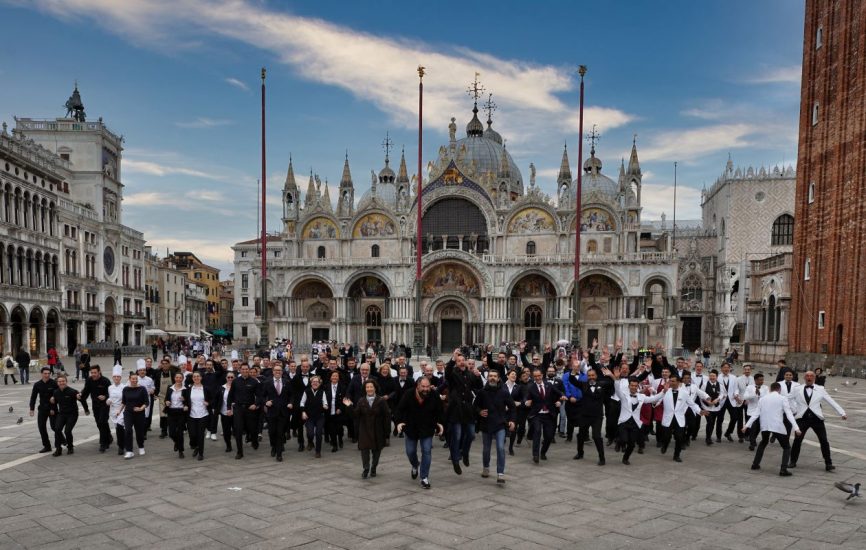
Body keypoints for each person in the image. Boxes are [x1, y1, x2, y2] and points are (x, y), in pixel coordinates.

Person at [788, 370, 847, 471]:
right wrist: (794, 409)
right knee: (797, 440)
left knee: (824, 441)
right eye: (807, 376)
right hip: (802, 418)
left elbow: (830, 400)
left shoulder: (820, 389)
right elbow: (787, 399)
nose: (809, 377)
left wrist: (842, 412)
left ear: (814, 378)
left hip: (817, 419)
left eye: (811, 376)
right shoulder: (797, 389)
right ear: (804, 378)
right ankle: (793, 461)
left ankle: (828, 463)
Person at [607, 368, 665, 465]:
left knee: (632, 444)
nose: (633, 387)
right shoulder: (623, 395)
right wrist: (616, 379)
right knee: (624, 439)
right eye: (632, 385)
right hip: (624, 422)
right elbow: (617, 390)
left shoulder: (641, 397)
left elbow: (654, 399)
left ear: (638, 387)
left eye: (635, 386)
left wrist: (664, 392)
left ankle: (625, 458)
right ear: (629, 386)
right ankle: (619, 442)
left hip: (635, 423)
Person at [395, 377, 444, 489]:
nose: (426, 389)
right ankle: (415, 465)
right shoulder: (408, 394)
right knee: (410, 451)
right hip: (411, 428)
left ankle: (424, 477)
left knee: (426, 451)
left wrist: (440, 423)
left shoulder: (434, 394)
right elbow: (399, 409)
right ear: (418, 386)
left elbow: (440, 411)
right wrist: (399, 422)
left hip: (427, 428)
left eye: (428, 386)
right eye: (423, 386)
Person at [743, 382, 800, 476]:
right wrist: (796, 428)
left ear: (770, 389)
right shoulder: (782, 398)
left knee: (763, 442)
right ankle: (783, 469)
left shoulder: (763, 399)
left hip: (765, 425)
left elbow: (756, 414)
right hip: (777, 425)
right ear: (779, 390)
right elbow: (789, 414)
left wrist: (746, 426)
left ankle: (755, 464)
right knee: (786, 447)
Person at [473, 370, 515, 483]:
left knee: (501, 448)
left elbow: (512, 407)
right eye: (490, 376)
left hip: (500, 424)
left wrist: (512, 420)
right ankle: (486, 468)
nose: (492, 378)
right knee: (486, 449)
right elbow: (475, 406)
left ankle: (500, 473)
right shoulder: (482, 392)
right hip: (486, 425)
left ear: (498, 378)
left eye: (494, 376)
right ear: (487, 378)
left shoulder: (504, 392)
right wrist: (480, 411)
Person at [444, 349, 483, 474]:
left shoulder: (470, 373)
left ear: (466, 362)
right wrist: (452, 358)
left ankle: (465, 453)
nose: (461, 363)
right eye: (459, 361)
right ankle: (456, 460)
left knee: (471, 434)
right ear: (456, 362)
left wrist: (478, 376)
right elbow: (447, 372)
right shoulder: (453, 373)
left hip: (468, 410)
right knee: (457, 436)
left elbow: (479, 387)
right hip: (456, 409)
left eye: (462, 360)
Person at [344, 379, 390, 479]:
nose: (369, 389)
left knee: (376, 453)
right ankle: (366, 468)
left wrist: (387, 434)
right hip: (364, 430)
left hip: (378, 431)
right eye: (367, 387)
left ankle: (373, 468)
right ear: (365, 389)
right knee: (364, 451)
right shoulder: (361, 401)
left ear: (375, 388)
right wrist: (349, 407)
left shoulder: (381, 401)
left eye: (371, 387)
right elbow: (355, 415)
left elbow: (387, 417)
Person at [657, 374, 705, 462]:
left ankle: (676, 455)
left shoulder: (684, 393)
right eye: (670, 381)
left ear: (678, 382)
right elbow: (657, 400)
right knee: (666, 437)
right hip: (668, 418)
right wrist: (654, 403)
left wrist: (700, 411)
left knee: (679, 437)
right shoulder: (665, 391)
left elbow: (692, 404)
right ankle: (665, 445)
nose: (671, 382)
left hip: (679, 419)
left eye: (673, 381)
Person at [526, 368, 565, 464]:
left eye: (539, 376)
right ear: (533, 377)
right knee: (537, 432)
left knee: (549, 436)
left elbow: (560, 393)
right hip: (537, 414)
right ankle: (535, 455)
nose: (537, 378)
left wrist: (560, 401)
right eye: (535, 376)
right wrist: (527, 402)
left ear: (542, 375)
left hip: (549, 414)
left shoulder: (549, 385)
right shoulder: (531, 387)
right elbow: (526, 398)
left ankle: (543, 452)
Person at [574, 368, 612, 465]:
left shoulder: (602, 384)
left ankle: (602, 457)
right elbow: (572, 380)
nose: (591, 377)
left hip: (597, 416)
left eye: (593, 375)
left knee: (596, 436)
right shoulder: (583, 385)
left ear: (596, 376)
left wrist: (611, 375)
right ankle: (580, 453)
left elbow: (613, 384)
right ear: (587, 377)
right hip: (584, 415)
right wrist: (574, 371)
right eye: (589, 375)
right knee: (581, 435)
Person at [227, 363, 262, 459]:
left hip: (250, 409)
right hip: (238, 409)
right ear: (240, 370)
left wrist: (256, 404)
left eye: (246, 369)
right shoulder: (235, 381)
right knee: (238, 430)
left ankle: (254, 441)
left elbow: (259, 396)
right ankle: (240, 452)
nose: (245, 371)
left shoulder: (254, 382)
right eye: (243, 369)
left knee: (252, 429)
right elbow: (230, 396)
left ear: (249, 370)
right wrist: (228, 408)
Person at [50, 374, 89, 456]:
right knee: (57, 429)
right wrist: (52, 408)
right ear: (57, 383)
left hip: (72, 414)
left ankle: (70, 447)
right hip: (62, 414)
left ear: (66, 382)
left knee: (67, 431)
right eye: (59, 382)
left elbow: (82, 400)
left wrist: (86, 409)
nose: (61, 383)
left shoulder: (72, 391)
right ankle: (58, 449)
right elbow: (54, 402)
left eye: (63, 381)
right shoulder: (56, 392)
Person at [262, 364, 292, 461]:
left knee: (280, 433)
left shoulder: (287, 382)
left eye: (279, 370)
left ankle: (279, 454)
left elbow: (291, 395)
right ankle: (273, 447)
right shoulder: (267, 382)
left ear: (282, 372)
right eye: (276, 370)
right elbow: (261, 396)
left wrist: (291, 403)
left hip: (283, 412)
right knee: (272, 432)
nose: (278, 372)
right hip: (272, 412)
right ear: (273, 372)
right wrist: (266, 402)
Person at [81, 364, 113, 452]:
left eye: (95, 372)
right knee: (100, 423)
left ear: (99, 372)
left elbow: (111, 393)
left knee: (102, 421)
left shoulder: (106, 381)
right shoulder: (89, 380)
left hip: (105, 405)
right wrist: (81, 396)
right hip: (95, 405)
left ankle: (103, 443)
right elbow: (86, 392)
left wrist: (105, 396)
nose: (93, 374)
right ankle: (109, 436)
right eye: (92, 373)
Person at [183, 371, 212, 461]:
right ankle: (196, 446)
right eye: (194, 377)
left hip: (203, 415)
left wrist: (208, 403)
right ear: (192, 379)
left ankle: (201, 453)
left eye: (198, 376)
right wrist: (185, 405)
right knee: (192, 435)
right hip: (191, 415)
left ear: (201, 378)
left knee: (200, 435)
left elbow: (212, 399)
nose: (196, 378)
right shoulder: (188, 389)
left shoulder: (206, 388)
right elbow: (185, 401)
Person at [119, 372, 149, 459]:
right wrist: (119, 411)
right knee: (128, 430)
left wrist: (141, 408)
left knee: (139, 431)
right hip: (128, 412)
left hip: (139, 413)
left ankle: (141, 446)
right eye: (133, 379)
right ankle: (129, 450)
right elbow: (124, 402)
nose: (134, 380)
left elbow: (146, 402)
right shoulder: (125, 389)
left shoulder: (142, 389)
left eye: (136, 379)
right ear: (129, 379)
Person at [29, 367, 59, 453]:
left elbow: (58, 395)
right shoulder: (37, 384)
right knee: (41, 427)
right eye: (45, 373)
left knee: (55, 427)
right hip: (42, 409)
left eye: (48, 374)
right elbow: (33, 397)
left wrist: (53, 406)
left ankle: (62, 439)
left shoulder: (54, 383)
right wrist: (32, 409)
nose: (47, 375)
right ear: (41, 374)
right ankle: (47, 446)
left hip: (52, 408)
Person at [300, 375, 327, 457]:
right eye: (313, 382)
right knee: (310, 433)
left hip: (319, 416)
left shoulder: (322, 392)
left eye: (317, 382)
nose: (315, 383)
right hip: (309, 416)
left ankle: (318, 451)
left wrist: (325, 405)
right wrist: (303, 412)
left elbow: (325, 402)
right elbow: (302, 403)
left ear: (319, 383)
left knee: (319, 433)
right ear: (311, 383)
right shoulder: (306, 391)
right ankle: (310, 442)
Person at [164, 372, 188, 458]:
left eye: (180, 378)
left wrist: (184, 401)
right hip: (171, 411)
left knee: (180, 432)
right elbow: (166, 398)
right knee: (171, 433)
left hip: (181, 412)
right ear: (174, 378)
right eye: (177, 377)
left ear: (182, 379)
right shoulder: (170, 388)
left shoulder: (185, 389)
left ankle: (181, 451)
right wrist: (166, 402)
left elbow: (188, 401)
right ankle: (176, 443)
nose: (178, 379)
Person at [742, 373, 768, 450]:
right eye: (760, 380)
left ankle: (753, 438)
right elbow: (745, 396)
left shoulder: (765, 388)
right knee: (753, 426)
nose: (762, 381)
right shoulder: (750, 387)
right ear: (755, 380)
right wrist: (754, 394)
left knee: (759, 427)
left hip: (762, 411)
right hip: (752, 411)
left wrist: (760, 395)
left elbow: (767, 397)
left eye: (762, 380)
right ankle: (752, 443)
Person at [324, 370, 347, 452]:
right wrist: (325, 405)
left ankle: (340, 439)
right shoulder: (326, 386)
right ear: (330, 378)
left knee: (339, 428)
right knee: (331, 429)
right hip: (329, 412)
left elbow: (346, 400)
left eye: (336, 376)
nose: (334, 377)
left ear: (338, 377)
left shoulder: (343, 387)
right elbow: (323, 399)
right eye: (333, 376)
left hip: (339, 412)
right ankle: (334, 445)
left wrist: (340, 409)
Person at [106, 365, 126, 455]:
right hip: (113, 410)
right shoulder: (110, 387)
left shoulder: (124, 387)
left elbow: (125, 399)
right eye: (115, 377)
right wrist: (108, 401)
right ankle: (122, 443)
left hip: (122, 410)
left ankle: (121, 446)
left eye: (118, 376)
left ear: (120, 378)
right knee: (117, 428)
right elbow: (110, 398)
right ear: (113, 378)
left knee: (121, 428)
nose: (116, 378)